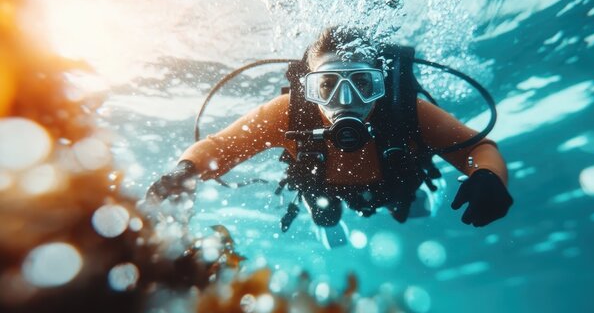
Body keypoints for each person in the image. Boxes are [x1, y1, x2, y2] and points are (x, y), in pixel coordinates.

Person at [146, 26, 513, 232]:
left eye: (362, 84)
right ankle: (322, 210)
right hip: (321, 186)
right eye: (328, 86)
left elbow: (478, 149)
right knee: (325, 214)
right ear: (309, 89)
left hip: (396, 182)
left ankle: (410, 205)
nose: (346, 99)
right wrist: (186, 171)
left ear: (381, 84)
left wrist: (489, 177)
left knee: (404, 207)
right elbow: (221, 147)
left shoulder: (408, 112)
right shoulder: (288, 114)